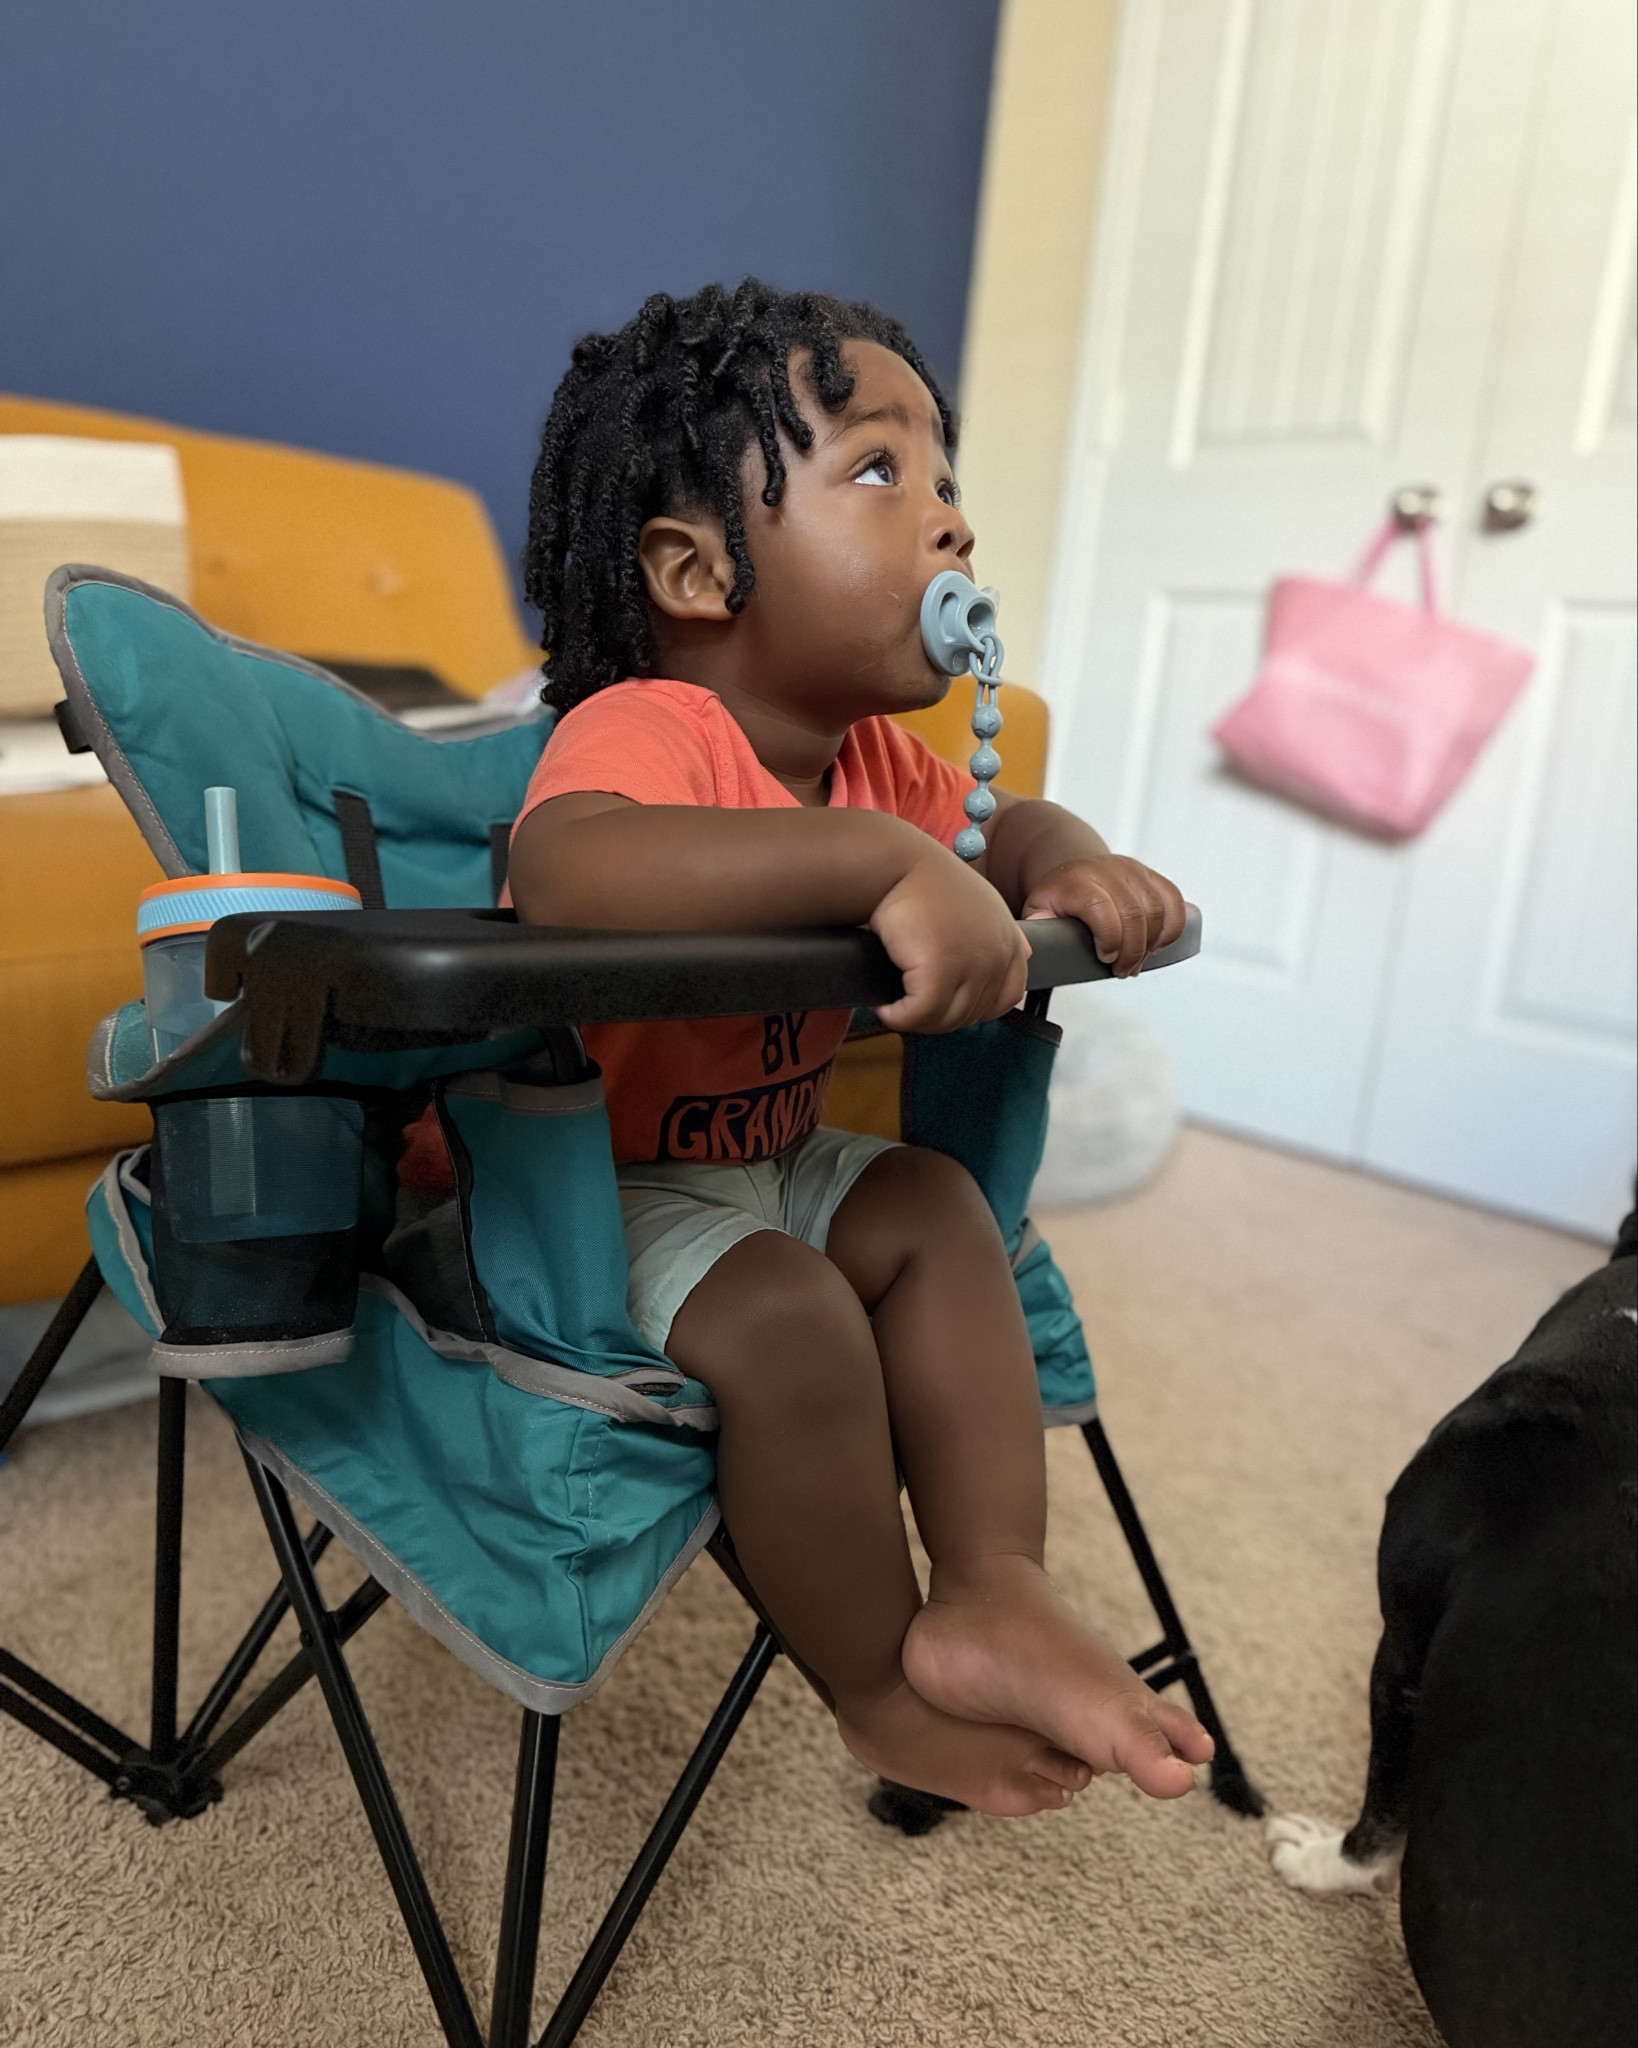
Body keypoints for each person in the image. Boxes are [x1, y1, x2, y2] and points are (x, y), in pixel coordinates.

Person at [506, 280, 1214, 1817]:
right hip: (582, 1188)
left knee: (933, 1212)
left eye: (947, 480)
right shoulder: (649, 730)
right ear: (698, 570)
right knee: (791, 1320)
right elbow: (575, 875)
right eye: (881, 473)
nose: (950, 523)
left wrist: (1066, 859)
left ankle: (992, 1583)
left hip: (768, 1152)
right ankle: (881, 1684)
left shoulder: (884, 758)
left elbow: (1000, 823)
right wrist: (873, 871)